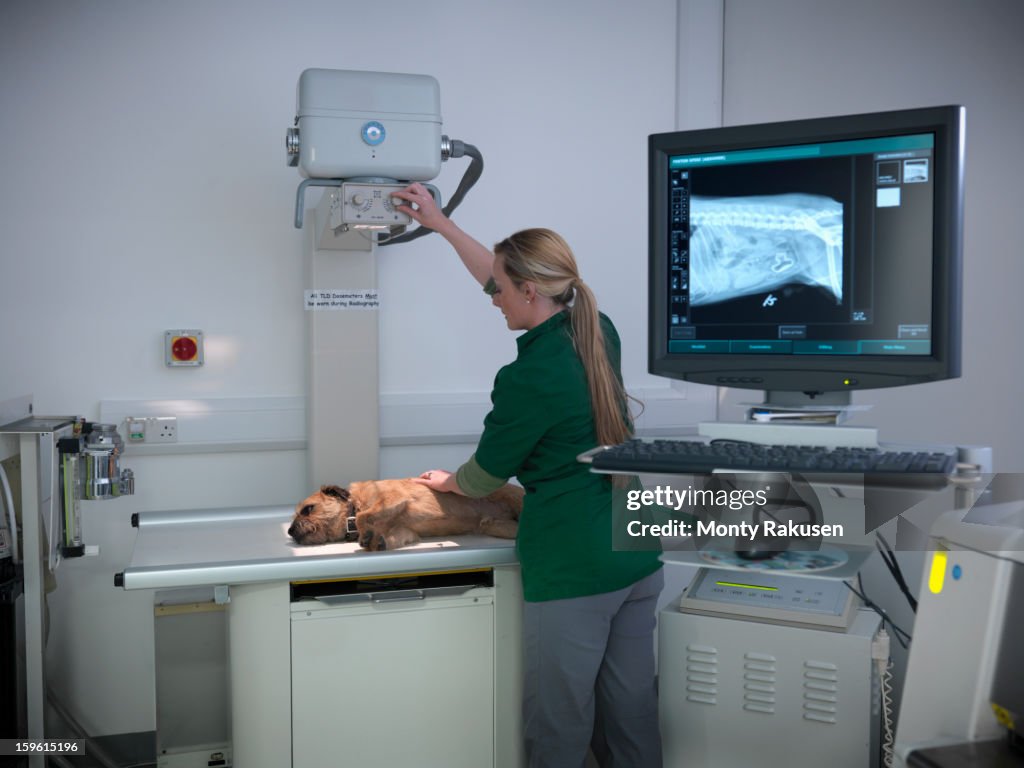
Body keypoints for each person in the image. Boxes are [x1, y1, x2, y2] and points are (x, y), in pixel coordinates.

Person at [392, 183, 664, 768]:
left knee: (558, 724)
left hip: (574, 565)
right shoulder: (596, 330)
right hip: (635, 551)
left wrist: (448, 481)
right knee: (631, 713)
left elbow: (486, 474)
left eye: (501, 290)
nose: (492, 297)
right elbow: (494, 276)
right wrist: (441, 225)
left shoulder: (528, 377)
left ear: (531, 290)